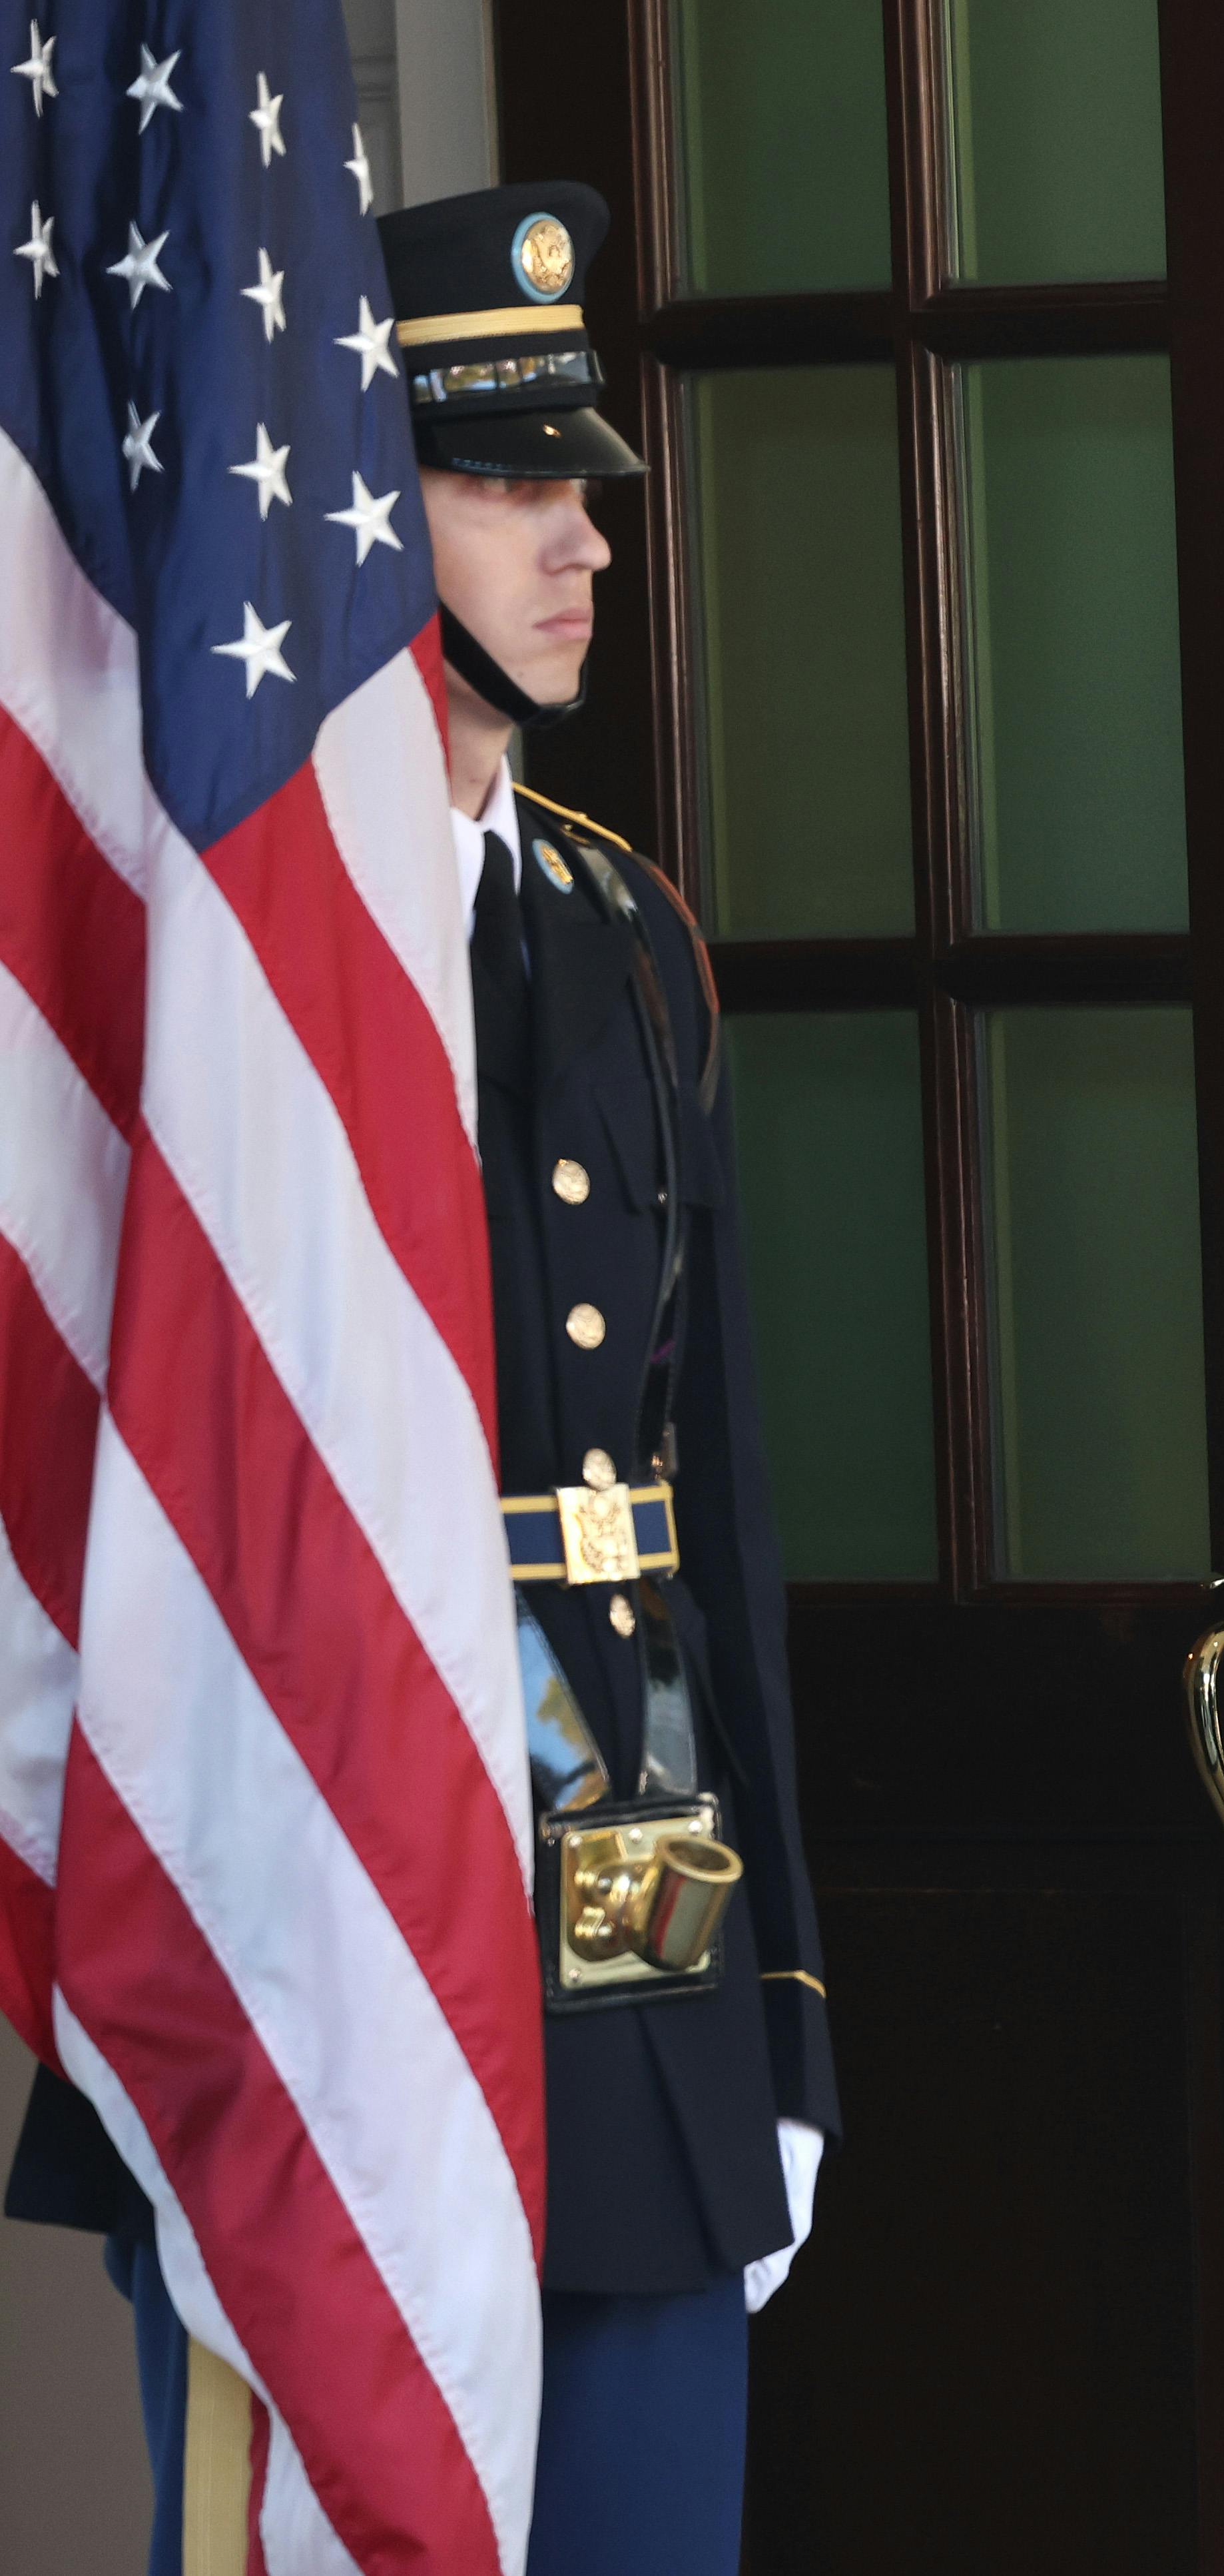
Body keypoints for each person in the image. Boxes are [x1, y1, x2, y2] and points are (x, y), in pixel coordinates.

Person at [2, 182, 837, 2576]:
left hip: (629, 1900)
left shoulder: (621, 926)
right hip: (311, 1906)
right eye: (504, 485)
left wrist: (772, 2008)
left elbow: (715, 1508)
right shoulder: (199, 963)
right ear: (355, 511)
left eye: (586, 491)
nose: (585, 545)